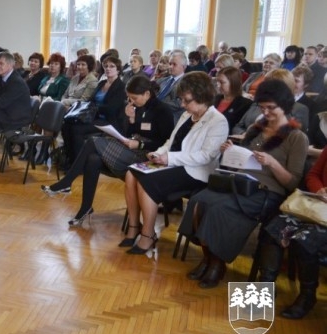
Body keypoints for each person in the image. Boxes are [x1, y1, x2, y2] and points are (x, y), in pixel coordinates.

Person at [178, 79, 308, 288]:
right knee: (199, 201)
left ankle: (217, 263)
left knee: (219, 209)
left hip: (267, 193)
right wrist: (230, 150)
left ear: (284, 106)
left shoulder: (296, 138)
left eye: (271, 108)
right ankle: (209, 258)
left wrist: (272, 163)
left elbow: (292, 182)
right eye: (262, 107)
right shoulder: (258, 128)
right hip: (239, 184)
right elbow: (242, 159)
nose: (265, 113)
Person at [42, 76, 174, 226]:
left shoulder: (163, 111)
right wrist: (131, 119)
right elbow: (130, 132)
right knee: (93, 159)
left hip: (148, 158)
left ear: (147, 94)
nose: (132, 102)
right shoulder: (136, 107)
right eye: (129, 98)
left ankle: (66, 182)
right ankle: (85, 208)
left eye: (134, 98)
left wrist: (139, 144)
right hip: (131, 151)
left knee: (93, 141)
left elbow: (165, 143)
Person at [123, 72, 228, 255]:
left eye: (186, 100)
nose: (182, 105)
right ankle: (134, 226)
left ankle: (148, 234)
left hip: (195, 172)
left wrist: (169, 158)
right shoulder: (187, 115)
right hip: (173, 163)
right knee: (131, 173)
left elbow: (206, 156)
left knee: (147, 182)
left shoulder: (218, 121)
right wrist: (158, 153)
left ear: (202, 96)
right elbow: (170, 142)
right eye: (182, 100)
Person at [255, 147, 327, 320]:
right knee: (274, 229)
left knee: (303, 241)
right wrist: (320, 190)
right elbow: (313, 175)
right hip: (316, 207)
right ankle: (265, 289)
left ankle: (307, 296)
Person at [60, 55, 127, 165]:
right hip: (94, 117)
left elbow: (112, 109)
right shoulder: (101, 83)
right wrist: (90, 107)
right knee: (66, 125)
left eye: (112, 66)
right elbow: (90, 101)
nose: (108, 68)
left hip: (108, 121)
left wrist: (94, 108)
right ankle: (70, 157)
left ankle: (78, 163)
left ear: (118, 70)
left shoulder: (121, 86)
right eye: (106, 66)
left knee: (77, 130)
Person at [232, 69, 310, 136]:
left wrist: (255, 138)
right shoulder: (257, 103)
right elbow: (238, 127)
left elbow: (292, 138)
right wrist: (244, 134)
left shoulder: (299, 109)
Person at [214, 66, 252, 133]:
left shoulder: (245, 104)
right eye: (217, 82)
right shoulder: (215, 98)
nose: (218, 85)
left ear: (234, 82)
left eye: (222, 82)